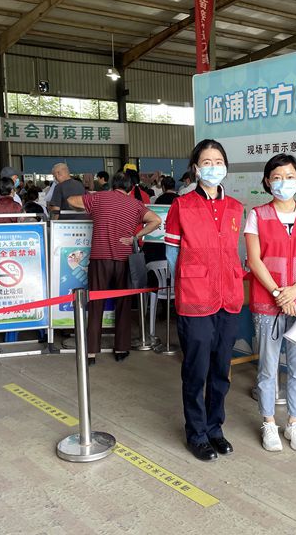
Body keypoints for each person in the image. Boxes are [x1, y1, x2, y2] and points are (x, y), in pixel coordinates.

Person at [164, 139, 244, 462]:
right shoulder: (181, 206)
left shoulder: (236, 207)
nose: (213, 167)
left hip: (229, 299)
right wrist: (191, 281)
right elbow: (172, 255)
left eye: (218, 161)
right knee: (196, 371)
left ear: (226, 167)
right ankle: (196, 433)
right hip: (195, 299)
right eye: (206, 162)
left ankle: (215, 428)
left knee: (221, 370)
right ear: (195, 169)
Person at [245, 154, 296, 452]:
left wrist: (295, 292)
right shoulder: (257, 215)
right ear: (267, 182)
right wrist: (280, 294)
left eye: (290, 176)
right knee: (268, 368)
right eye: (277, 177)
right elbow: (255, 260)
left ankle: (294, 422)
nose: (283, 182)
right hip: (269, 305)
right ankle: (269, 422)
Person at [66, 172, 161, 364]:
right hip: (124, 258)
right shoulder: (136, 204)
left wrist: (89, 201)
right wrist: (136, 237)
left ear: (112, 185)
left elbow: (70, 200)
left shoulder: (99, 198)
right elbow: (156, 220)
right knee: (123, 304)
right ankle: (121, 349)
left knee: (96, 303)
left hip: (99, 258)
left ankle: (91, 352)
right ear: (130, 188)